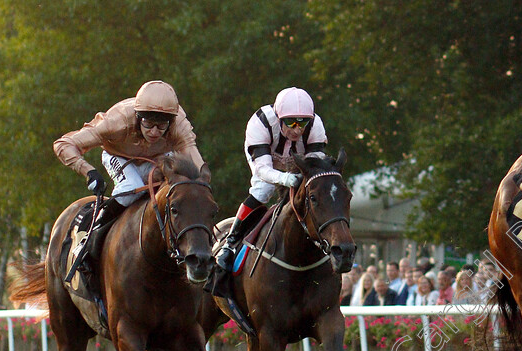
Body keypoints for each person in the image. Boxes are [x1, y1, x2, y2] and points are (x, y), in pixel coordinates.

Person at [54, 80, 206, 263]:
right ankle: (90, 238)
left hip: (158, 157)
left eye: (161, 125)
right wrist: (88, 171)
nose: (154, 132)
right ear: (138, 117)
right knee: (131, 187)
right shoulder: (116, 122)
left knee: (179, 192)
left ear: (171, 122)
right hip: (119, 156)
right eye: (149, 124)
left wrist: (202, 184)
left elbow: (193, 156)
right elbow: (63, 144)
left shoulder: (178, 124)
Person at [216, 87, 328, 271]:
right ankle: (230, 242)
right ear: (279, 118)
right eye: (291, 122)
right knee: (263, 190)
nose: (297, 129)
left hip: (297, 156)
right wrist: (286, 178)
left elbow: (316, 162)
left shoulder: (316, 125)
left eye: (303, 122)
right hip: (267, 155)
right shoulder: (260, 122)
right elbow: (263, 170)